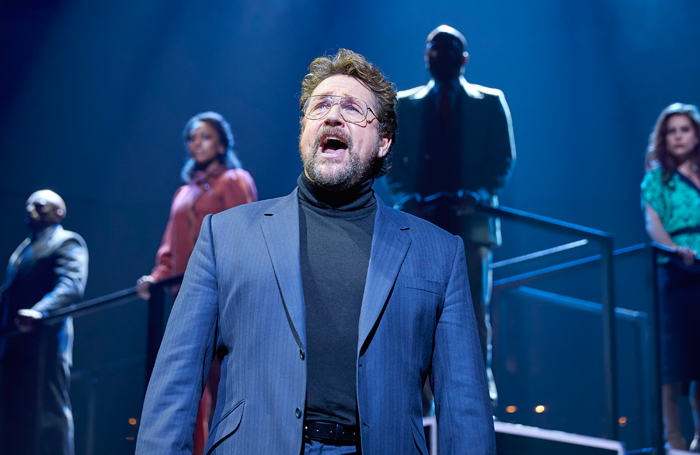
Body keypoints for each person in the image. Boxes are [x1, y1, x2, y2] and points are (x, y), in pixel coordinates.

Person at [135, 49, 495, 454]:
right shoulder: (226, 235)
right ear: (304, 132)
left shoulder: (439, 253)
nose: (333, 116)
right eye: (319, 106)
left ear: (384, 143)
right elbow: (175, 385)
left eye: (353, 109)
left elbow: (464, 409)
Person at [381, 25, 515, 407]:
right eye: (434, 50)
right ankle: (419, 397)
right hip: (420, 222)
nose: (440, 56)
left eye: (449, 50)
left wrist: (477, 194)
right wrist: (409, 196)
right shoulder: (405, 103)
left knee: (472, 307)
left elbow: (502, 159)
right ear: (425, 56)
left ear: (465, 58)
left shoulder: (489, 101)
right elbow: (389, 158)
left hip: (469, 224)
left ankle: (471, 391)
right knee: (417, 306)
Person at [136, 111, 257, 455]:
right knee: (188, 384)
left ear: (221, 142)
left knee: (226, 380)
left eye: (204, 136)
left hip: (225, 292)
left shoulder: (234, 179)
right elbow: (169, 245)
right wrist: (157, 276)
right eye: (191, 138)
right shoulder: (183, 191)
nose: (196, 143)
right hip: (184, 297)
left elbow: (246, 232)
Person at [0, 190, 89, 455]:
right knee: (14, 414)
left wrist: (40, 311)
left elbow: (71, 285)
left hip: (46, 343)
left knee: (50, 412)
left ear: (59, 212)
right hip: (15, 344)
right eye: (28, 205)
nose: (31, 209)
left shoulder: (67, 241)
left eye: (39, 205)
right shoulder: (25, 248)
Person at [641, 103, 700, 451]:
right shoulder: (656, 179)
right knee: (675, 357)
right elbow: (653, 224)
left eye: (685, 129)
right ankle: (673, 435)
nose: (679, 137)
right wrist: (676, 251)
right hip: (676, 272)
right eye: (672, 131)